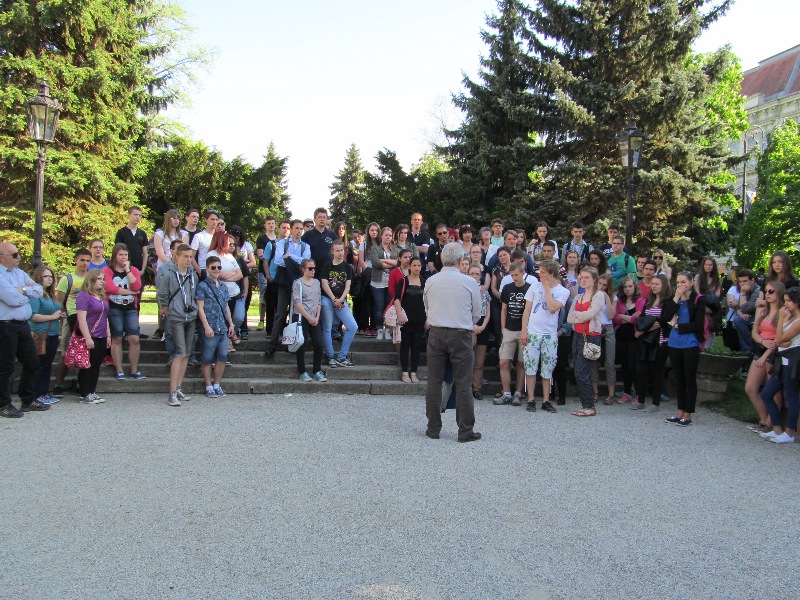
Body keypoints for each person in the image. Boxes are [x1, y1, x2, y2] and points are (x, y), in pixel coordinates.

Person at [423, 242, 482, 442]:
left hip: (437, 333)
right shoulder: (469, 282)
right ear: (460, 260)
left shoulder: (431, 281)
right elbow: (476, 313)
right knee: (463, 383)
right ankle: (465, 430)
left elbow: (427, 308)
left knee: (434, 382)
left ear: (441, 259)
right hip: (461, 334)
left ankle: (433, 428)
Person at [0, 243, 48, 418]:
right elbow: (12, 299)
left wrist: (24, 290)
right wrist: (26, 295)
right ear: (2, 257)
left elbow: (39, 290)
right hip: (6, 325)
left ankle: (28, 399)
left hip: (22, 325)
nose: (18, 257)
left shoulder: (19, 273)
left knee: (32, 361)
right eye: (14, 255)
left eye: (18, 253)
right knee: (6, 366)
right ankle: (3, 404)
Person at [520, 259, 570, 413]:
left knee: (548, 368)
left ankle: (546, 400)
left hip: (550, 334)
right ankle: (531, 399)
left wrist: (547, 288)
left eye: (543, 272)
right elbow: (527, 310)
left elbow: (552, 307)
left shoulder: (563, 291)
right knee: (530, 367)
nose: (539, 275)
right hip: (533, 332)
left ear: (552, 274)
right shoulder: (534, 286)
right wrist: (524, 331)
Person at [662, 272, 707, 427]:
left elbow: (698, 323)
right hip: (675, 342)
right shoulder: (674, 299)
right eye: (678, 282)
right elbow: (664, 317)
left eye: (683, 282)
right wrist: (676, 298)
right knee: (679, 377)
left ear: (691, 282)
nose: (680, 285)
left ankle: (688, 413)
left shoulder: (698, 299)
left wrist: (678, 326)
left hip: (690, 342)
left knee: (689, 378)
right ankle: (680, 411)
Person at [156, 243, 197, 406]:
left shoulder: (193, 274)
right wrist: (168, 312)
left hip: (191, 316)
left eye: (190, 257)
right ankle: (172, 392)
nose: (188, 260)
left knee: (186, 353)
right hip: (176, 316)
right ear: (177, 256)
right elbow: (163, 295)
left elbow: (194, 293)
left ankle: (179, 387)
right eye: (185, 256)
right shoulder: (168, 274)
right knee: (179, 353)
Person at [759, 286, 800, 444]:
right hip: (782, 358)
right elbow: (780, 339)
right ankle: (777, 429)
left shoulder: (798, 321)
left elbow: (780, 338)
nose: (785, 304)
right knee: (767, 393)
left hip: (792, 359)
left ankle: (789, 432)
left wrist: (781, 319)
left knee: (791, 396)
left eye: (788, 301)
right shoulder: (790, 317)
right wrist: (780, 340)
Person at [264, 220, 310, 357]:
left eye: (301, 228)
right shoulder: (282, 243)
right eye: (296, 228)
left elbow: (306, 262)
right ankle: (272, 344)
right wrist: (296, 262)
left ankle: (293, 342)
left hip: (298, 282)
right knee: (280, 313)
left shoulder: (305, 246)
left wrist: (290, 257)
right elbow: (278, 260)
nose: (299, 231)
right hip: (284, 280)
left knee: (296, 313)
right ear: (291, 229)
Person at [744, 281, 784, 431]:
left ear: (779, 293)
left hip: (774, 352)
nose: (767, 294)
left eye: (771, 291)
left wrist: (769, 345)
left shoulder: (782, 313)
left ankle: (770, 422)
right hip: (760, 348)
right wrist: (762, 341)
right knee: (750, 387)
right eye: (766, 291)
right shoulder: (762, 311)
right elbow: (754, 332)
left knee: (773, 390)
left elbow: (779, 337)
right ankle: (763, 417)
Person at [52, 248, 91, 398]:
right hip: (71, 319)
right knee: (66, 352)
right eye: (82, 260)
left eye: (88, 260)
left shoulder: (91, 277)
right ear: (76, 260)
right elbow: (59, 301)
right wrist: (63, 316)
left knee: (85, 352)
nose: (85, 263)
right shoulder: (67, 279)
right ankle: (58, 384)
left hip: (88, 319)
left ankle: (81, 383)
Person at [567, 266, 605, 416]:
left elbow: (590, 314)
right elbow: (569, 318)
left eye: (586, 277)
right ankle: (585, 404)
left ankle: (589, 405)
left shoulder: (599, 295)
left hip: (591, 336)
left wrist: (578, 315)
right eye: (581, 277)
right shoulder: (578, 297)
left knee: (582, 372)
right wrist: (580, 316)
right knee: (578, 371)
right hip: (578, 335)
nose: (583, 280)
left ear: (594, 279)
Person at [103, 243, 145, 380]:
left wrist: (127, 270)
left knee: (134, 338)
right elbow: (110, 288)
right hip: (114, 307)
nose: (123, 257)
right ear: (115, 255)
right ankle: (119, 370)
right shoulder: (107, 270)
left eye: (126, 255)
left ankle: (134, 370)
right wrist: (130, 292)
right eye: (120, 254)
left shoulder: (133, 270)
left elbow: (137, 286)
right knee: (117, 338)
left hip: (131, 308)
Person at [196, 255, 234, 398]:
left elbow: (226, 307)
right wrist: (206, 326)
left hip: (222, 327)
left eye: (219, 267)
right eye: (214, 267)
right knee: (207, 357)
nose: (217, 270)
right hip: (210, 327)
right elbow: (200, 308)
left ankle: (217, 384)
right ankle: (208, 385)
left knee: (222, 357)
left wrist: (231, 324)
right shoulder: (202, 286)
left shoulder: (223, 287)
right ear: (207, 268)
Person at [494, 262, 532, 405]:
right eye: (512, 275)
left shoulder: (530, 288)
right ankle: (506, 393)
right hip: (509, 329)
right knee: (504, 362)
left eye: (516, 274)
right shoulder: (507, 288)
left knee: (522, 363)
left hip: (524, 329)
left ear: (523, 273)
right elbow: (504, 310)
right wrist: (503, 328)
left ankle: (518, 392)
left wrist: (526, 330)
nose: (514, 277)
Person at [633, 274, 672, 411]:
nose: (654, 286)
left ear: (664, 285)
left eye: (657, 284)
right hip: (646, 341)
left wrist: (643, 330)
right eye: (653, 284)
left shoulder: (668, 302)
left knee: (657, 371)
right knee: (641, 370)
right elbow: (643, 318)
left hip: (660, 340)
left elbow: (662, 322)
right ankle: (641, 400)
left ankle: (655, 402)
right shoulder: (649, 301)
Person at [28, 265, 63, 405]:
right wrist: (52, 317)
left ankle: (44, 392)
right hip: (40, 334)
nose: (49, 279)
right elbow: (33, 316)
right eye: (46, 276)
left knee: (47, 365)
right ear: (38, 278)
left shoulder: (51, 295)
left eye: (51, 277)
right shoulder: (36, 295)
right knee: (40, 365)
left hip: (53, 334)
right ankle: (37, 394)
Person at [75, 269, 111, 404]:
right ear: (92, 280)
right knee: (88, 364)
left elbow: (105, 317)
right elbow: (81, 319)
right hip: (91, 334)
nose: (102, 281)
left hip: (102, 334)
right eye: (99, 279)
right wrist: (87, 337)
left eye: (103, 279)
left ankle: (92, 391)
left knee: (96, 364)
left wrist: (108, 334)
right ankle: (85, 392)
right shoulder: (84, 296)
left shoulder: (101, 296)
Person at [320, 240, 357, 368]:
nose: (340, 253)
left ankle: (342, 356)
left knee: (352, 326)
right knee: (327, 328)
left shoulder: (348, 267)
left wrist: (340, 299)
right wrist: (333, 299)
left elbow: (348, 286)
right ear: (332, 252)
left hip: (341, 300)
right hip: (327, 298)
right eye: (337, 250)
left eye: (342, 250)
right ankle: (331, 356)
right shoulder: (327, 265)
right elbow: (324, 283)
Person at [207, 232, 244, 349]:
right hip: (220, 292)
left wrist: (228, 277)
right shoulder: (211, 254)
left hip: (234, 292)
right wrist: (232, 274)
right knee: (224, 317)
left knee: (238, 316)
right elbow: (219, 274)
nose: (230, 244)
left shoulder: (230, 256)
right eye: (228, 241)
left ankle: (233, 332)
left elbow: (240, 274)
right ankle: (227, 340)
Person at [293, 259, 326, 382]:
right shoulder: (298, 283)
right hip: (302, 317)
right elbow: (297, 302)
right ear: (303, 269)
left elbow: (319, 300)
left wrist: (317, 317)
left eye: (314, 268)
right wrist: (308, 317)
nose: (313, 271)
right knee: (302, 343)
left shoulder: (317, 282)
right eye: (310, 268)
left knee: (319, 343)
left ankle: (317, 370)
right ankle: (302, 371)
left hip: (314, 317)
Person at [613, 276, 644, 404]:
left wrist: (624, 317)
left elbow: (638, 320)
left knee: (633, 366)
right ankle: (626, 392)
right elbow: (615, 318)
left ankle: (638, 394)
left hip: (634, 338)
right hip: (621, 337)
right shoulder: (619, 302)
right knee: (625, 366)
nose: (627, 289)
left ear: (635, 287)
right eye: (625, 287)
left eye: (630, 286)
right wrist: (630, 318)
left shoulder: (640, 301)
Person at [395, 257, 426, 383]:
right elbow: (397, 299)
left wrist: (428, 319)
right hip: (405, 319)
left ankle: (413, 372)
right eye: (414, 265)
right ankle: (404, 372)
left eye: (419, 265)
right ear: (409, 266)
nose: (417, 268)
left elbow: (428, 301)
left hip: (419, 319)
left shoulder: (424, 282)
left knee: (416, 346)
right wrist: (399, 314)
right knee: (405, 345)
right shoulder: (403, 281)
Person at [591, 273, 617, 406]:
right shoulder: (592, 295)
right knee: (594, 361)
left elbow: (611, 315)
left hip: (608, 327)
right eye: (600, 284)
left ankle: (610, 394)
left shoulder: (613, 297)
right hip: (595, 327)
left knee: (609, 363)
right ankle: (595, 392)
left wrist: (607, 298)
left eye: (604, 285)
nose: (601, 287)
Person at [369, 226, 399, 340]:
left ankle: (387, 329)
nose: (388, 237)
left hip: (391, 282)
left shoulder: (395, 250)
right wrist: (391, 263)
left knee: (388, 307)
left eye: (390, 235)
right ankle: (379, 329)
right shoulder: (375, 249)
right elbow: (376, 263)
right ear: (381, 236)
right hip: (377, 283)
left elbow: (398, 263)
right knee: (379, 307)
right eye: (386, 235)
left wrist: (384, 260)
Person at [469, 264, 492, 399]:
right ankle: (465, 387)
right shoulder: (464, 290)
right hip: (468, 325)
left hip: (482, 325)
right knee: (466, 360)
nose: (474, 276)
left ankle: (476, 388)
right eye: (472, 273)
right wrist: (472, 326)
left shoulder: (485, 292)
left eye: (477, 274)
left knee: (479, 362)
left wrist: (482, 326)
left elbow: (488, 312)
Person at [728, 269, 761, 356]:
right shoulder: (747, 291)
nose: (742, 284)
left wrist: (742, 293)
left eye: (745, 281)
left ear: (752, 280)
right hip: (748, 317)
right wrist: (741, 314)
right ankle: (747, 349)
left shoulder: (757, 291)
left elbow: (746, 309)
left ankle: (749, 349)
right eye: (740, 282)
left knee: (738, 320)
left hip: (758, 318)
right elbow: (738, 309)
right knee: (738, 320)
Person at [357, 222, 380, 336]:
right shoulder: (364, 244)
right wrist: (368, 270)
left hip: (379, 275)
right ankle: (366, 326)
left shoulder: (381, 244)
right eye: (372, 230)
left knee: (376, 302)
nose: (374, 232)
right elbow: (361, 260)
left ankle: (375, 326)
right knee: (366, 302)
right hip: (367, 275)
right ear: (368, 231)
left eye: (376, 230)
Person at [694, 256, 722, 348]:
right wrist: (704, 307)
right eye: (706, 264)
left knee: (711, 326)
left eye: (710, 265)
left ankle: (708, 348)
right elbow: (697, 292)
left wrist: (712, 304)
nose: (708, 266)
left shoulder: (716, 279)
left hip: (713, 306)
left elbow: (717, 293)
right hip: (701, 304)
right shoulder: (698, 277)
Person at [302, 207, 337, 275]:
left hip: (329, 270)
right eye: (320, 217)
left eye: (324, 217)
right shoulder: (307, 235)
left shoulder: (332, 235)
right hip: (312, 271)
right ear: (314, 219)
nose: (322, 219)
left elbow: (337, 251)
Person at [114, 206, 148, 274]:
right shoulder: (121, 232)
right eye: (135, 214)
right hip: (124, 269)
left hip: (139, 269)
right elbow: (117, 252)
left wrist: (143, 269)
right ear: (129, 215)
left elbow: (145, 253)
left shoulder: (142, 233)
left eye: (140, 215)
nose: (137, 217)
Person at [190, 209, 220, 278]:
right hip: (204, 269)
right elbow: (191, 256)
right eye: (212, 219)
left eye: (216, 220)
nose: (214, 222)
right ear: (206, 220)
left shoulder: (220, 237)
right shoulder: (199, 236)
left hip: (219, 270)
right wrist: (200, 271)